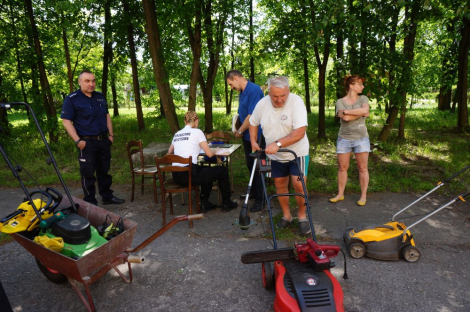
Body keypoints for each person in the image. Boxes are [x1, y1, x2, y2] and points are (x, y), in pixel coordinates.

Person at [249, 76, 311, 235]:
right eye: (275, 96)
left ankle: (302, 216)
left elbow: (299, 132)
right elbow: (253, 122)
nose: (279, 100)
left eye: (283, 95)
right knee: (280, 185)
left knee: (299, 185)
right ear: (268, 92)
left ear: (288, 91)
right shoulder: (262, 104)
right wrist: (253, 141)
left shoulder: (296, 102)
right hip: (275, 155)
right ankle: (286, 215)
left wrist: (277, 144)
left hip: (297, 152)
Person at [61, 70, 124, 206]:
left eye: (93, 81)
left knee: (104, 170)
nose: (91, 84)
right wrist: (78, 141)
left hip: (103, 140)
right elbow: (66, 121)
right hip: (86, 142)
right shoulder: (72, 99)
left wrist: (111, 136)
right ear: (79, 82)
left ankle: (107, 196)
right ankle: (90, 202)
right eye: (87, 81)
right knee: (88, 173)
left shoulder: (100, 97)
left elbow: (107, 117)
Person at [168, 111, 238, 212]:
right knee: (222, 170)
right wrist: (217, 150)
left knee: (207, 170)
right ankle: (227, 202)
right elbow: (209, 154)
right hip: (189, 175)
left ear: (185, 122)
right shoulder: (197, 132)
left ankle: (205, 202)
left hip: (176, 175)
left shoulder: (177, 134)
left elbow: (169, 153)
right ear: (196, 121)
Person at [226, 70, 265, 212]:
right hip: (247, 136)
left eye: (231, 84)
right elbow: (242, 114)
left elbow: (251, 116)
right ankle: (254, 192)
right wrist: (238, 128)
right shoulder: (242, 92)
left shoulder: (254, 90)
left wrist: (240, 130)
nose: (231, 87)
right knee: (250, 165)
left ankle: (261, 200)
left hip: (257, 136)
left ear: (236, 78)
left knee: (258, 166)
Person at [329, 75, 370, 206]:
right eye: (359, 84)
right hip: (344, 139)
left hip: (361, 138)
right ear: (351, 86)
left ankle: (363, 196)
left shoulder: (363, 98)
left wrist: (346, 112)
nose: (362, 87)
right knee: (342, 167)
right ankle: (340, 194)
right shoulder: (340, 101)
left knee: (362, 168)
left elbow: (366, 110)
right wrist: (361, 113)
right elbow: (345, 118)